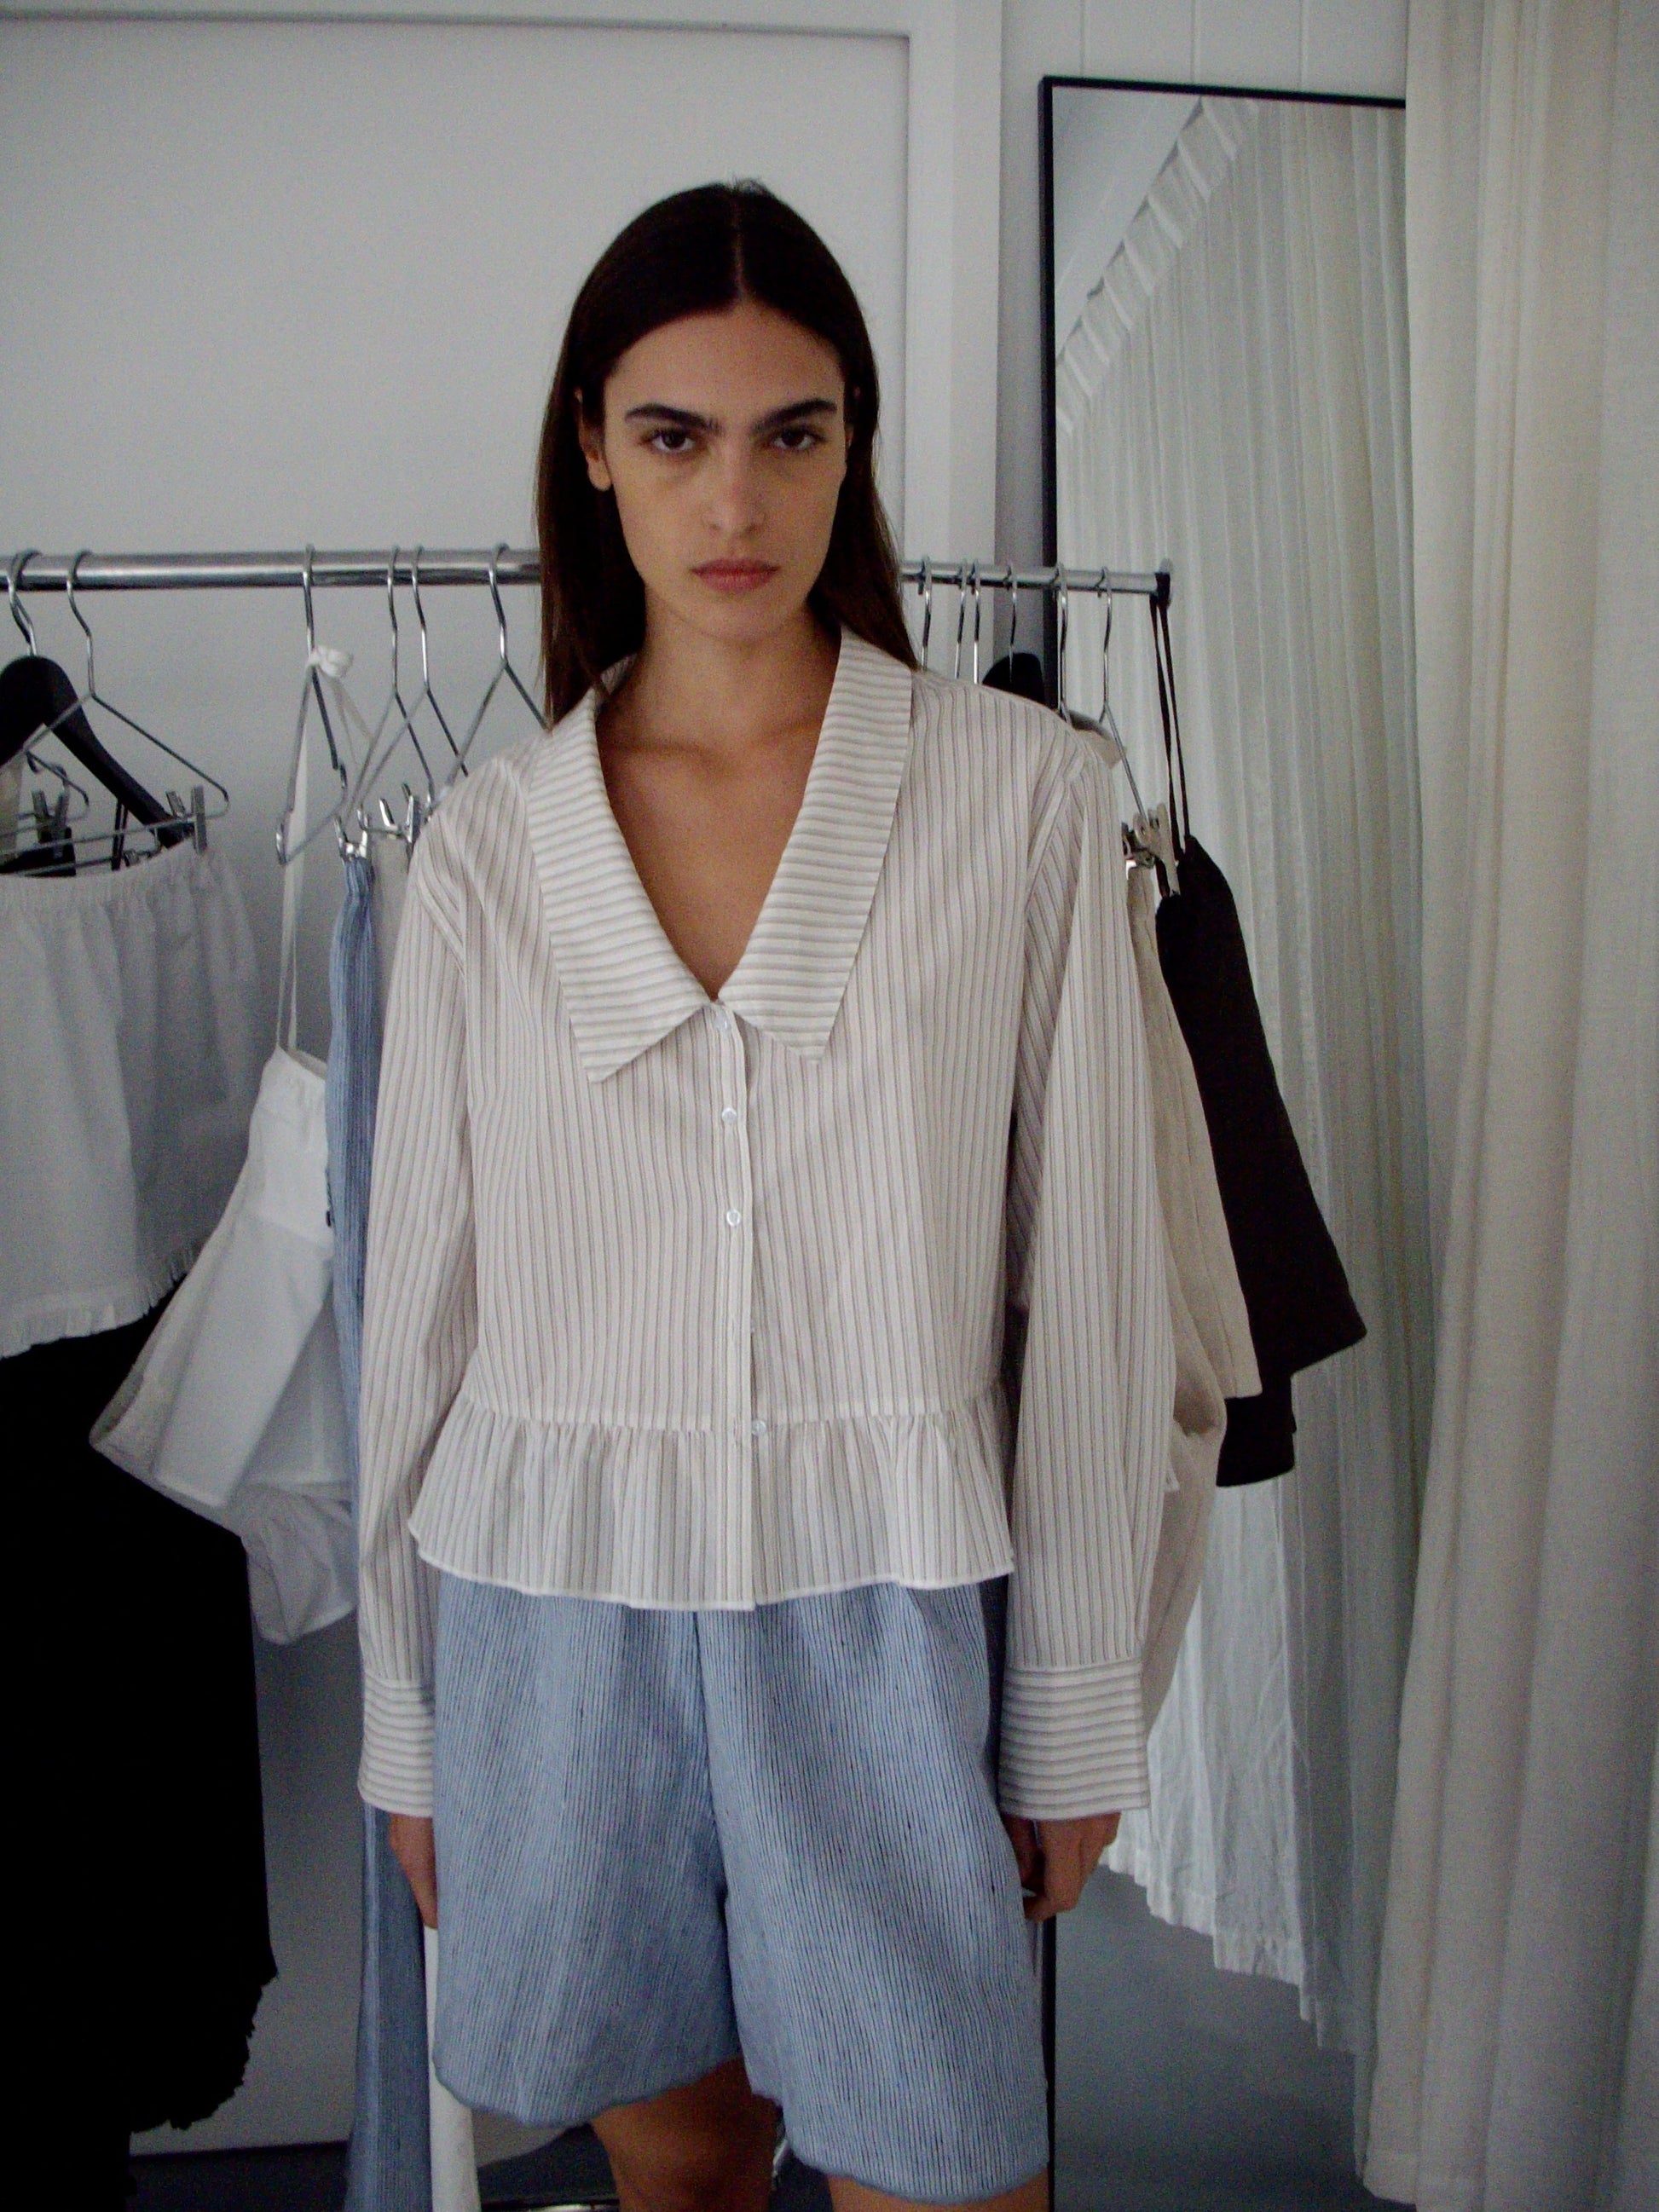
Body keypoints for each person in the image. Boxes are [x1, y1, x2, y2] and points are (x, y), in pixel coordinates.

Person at [355, 181, 1174, 2212]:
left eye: (792, 432)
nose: (737, 498)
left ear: (850, 446)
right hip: (557, 1627)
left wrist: (1075, 1707)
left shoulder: (1022, 799)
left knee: (947, 2171)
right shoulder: (479, 852)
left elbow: (1095, 1292)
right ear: (590, 446)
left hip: (892, 1621)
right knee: (677, 2158)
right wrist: (411, 1724)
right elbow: (418, 1326)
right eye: (675, 434)